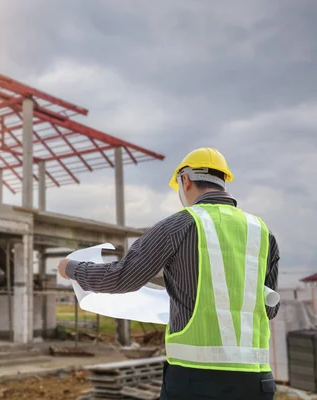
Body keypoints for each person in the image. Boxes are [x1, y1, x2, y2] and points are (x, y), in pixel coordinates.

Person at [58, 147, 279, 400]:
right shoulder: (263, 233)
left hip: (195, 382)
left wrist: (72, 268)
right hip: (257, 382)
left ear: (186, 180)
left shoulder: (178, 226)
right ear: (224, 181)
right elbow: (269, 309)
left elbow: (122, 277)